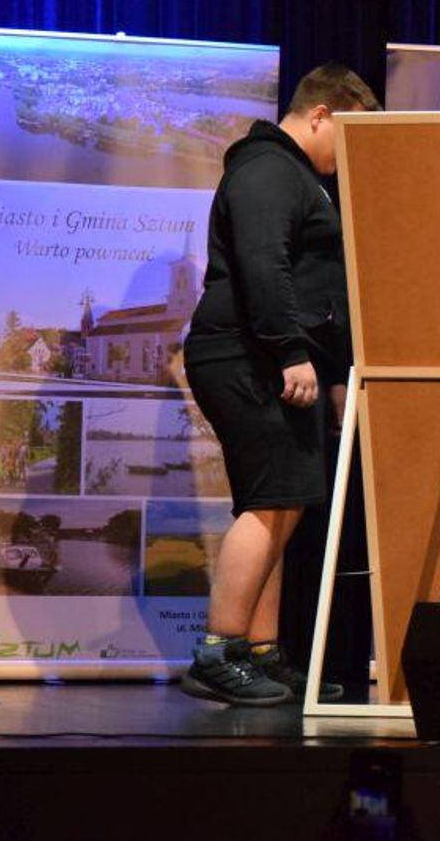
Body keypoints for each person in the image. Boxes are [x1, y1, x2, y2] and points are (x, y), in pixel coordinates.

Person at [180, 64, 380, 706]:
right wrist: (290, 351)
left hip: (277, 360)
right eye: (347, 134)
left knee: (285, 501)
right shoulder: (267, 168)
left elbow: (316, 285)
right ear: (321, 114)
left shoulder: (299, 176)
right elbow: (263, 265)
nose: (348, 153)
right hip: (247, 355)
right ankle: (217, 652)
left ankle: (260, 650)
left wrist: (332, 374)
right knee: (270, 502)